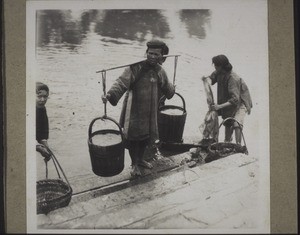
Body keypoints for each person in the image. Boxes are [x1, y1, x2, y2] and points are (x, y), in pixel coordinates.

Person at [102, 40, 175, 176]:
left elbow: (168, 90)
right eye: (150, 53)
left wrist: (172, 89)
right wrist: (110, 95)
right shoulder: (135, 68)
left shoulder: (160, 71)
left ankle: (140, 160)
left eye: (156, 55)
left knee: (146, 138)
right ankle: (134, 164)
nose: (153, 57)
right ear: (146, 53)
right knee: (133, 138)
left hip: (150, 111)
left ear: (161, 57)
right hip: (134, 110)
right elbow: (120, 83)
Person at [202, 54, 252, 146]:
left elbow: (235, 99)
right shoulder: (219, 72)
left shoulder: (233, 78)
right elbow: (212, 78)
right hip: (231, 101)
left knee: (237, 123)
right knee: (228, 122)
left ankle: (238, 146)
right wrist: (207, 79)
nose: (215, 67)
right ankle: (227, 142)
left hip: (241, 102)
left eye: (216, 65)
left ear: (222, 66)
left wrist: (219, 106)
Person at [36, 82, 51, 162]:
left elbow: (42, 132)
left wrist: (46, 147)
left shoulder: (42, 109)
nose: (43, 100)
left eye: (45, 96)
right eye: (39, 96)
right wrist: (38, 147)